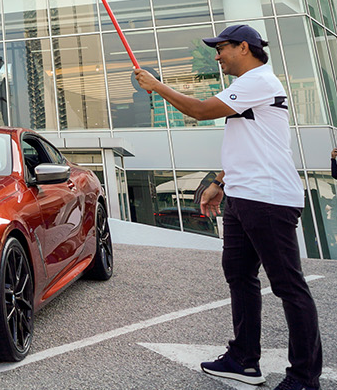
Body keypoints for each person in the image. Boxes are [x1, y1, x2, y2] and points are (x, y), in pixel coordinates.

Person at [135, 24, 320, 390]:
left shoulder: (259, 81)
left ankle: (304, 378)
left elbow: (201, 111)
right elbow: (251, 141)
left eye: (222, 48)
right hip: (243, 195)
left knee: (288, 286)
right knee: (239, 275)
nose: (217, 55)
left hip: (267, 198)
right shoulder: (248, 86)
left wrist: (157, 86)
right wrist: (221, 183)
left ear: (245, 48)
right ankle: (243, 360)